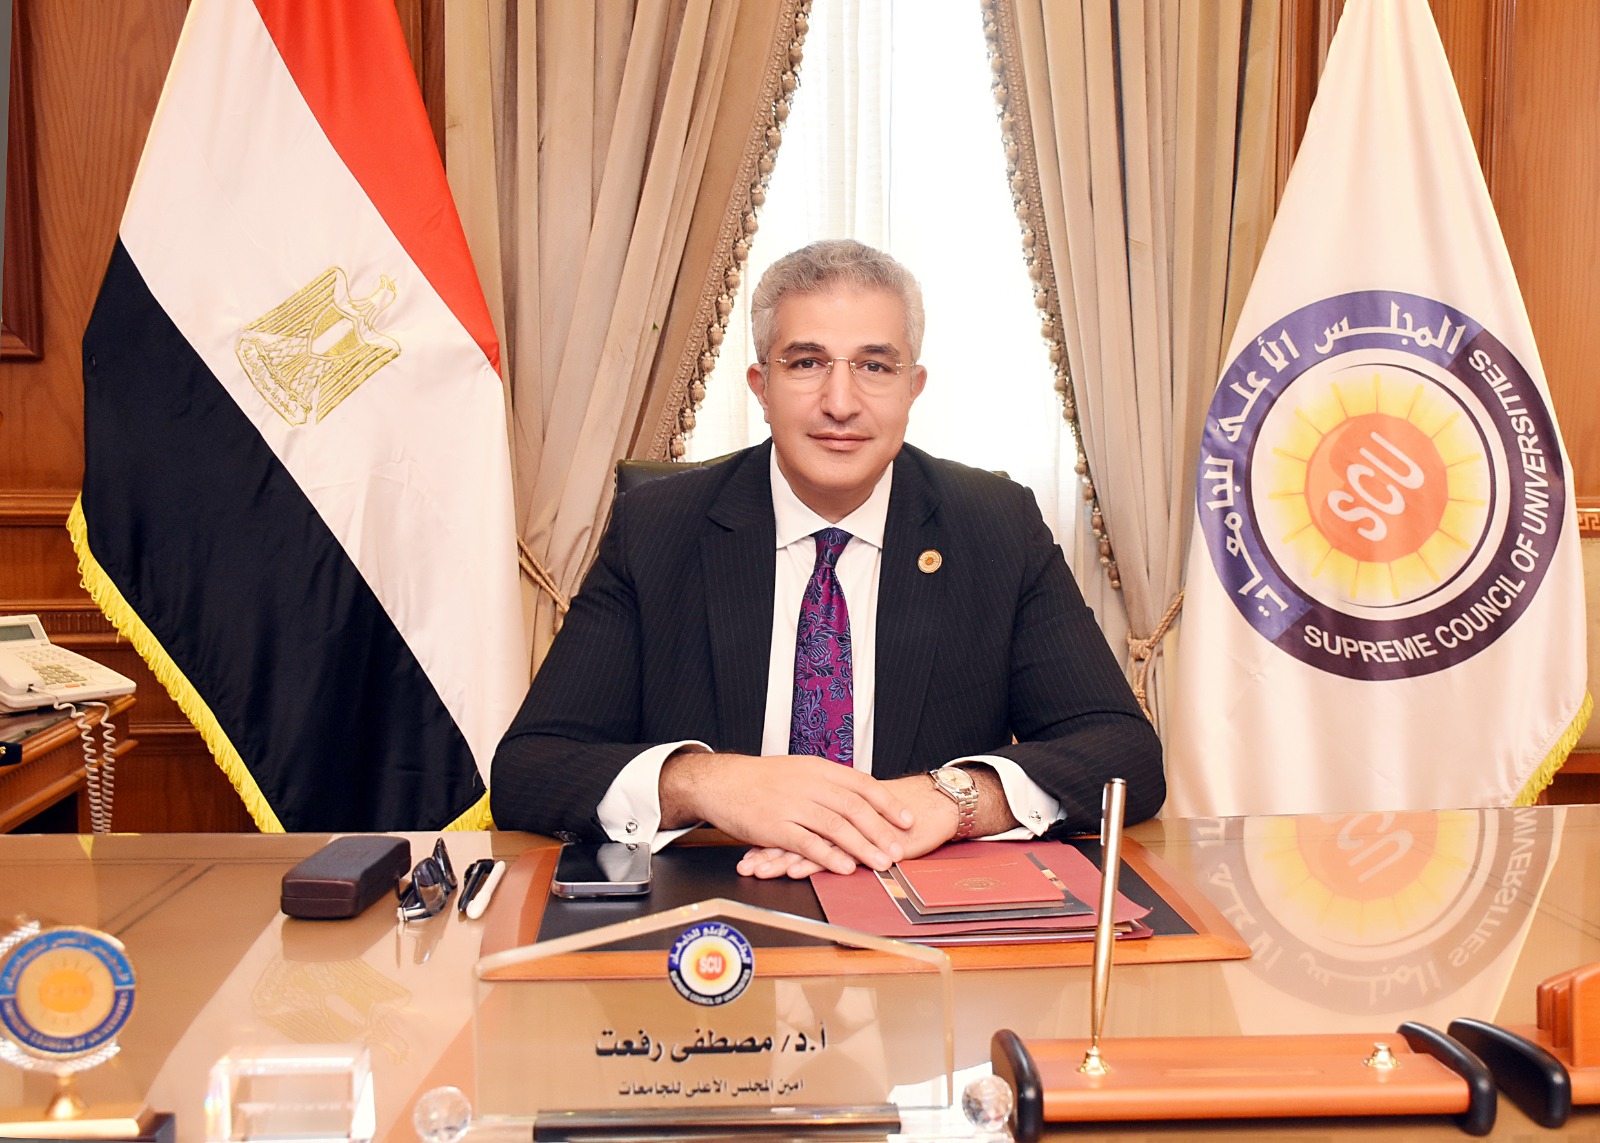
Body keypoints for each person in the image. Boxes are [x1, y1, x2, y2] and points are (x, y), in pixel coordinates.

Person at [491, 240, 1163, 878]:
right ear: (761, 385)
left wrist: (953, 799)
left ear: (913, 387)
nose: (840, 404)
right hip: (708, 916)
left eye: (874, 366)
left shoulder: (994, 525)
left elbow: (1125, 754)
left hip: (919, 914)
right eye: (806, 363)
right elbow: (529, 770)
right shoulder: (659, 527)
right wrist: (706, 782)